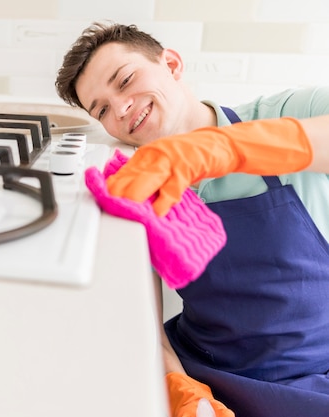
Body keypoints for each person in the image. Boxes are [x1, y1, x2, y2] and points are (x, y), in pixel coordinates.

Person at [55, 22, 329, 417]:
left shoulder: (284, 114)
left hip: (314, 378)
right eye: (101, 110)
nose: (120, 108)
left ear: (172, 63)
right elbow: (142, 317)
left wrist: (222, 148)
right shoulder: (133, 181)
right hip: (205, 373)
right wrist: (179, 388)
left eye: (126, 80)